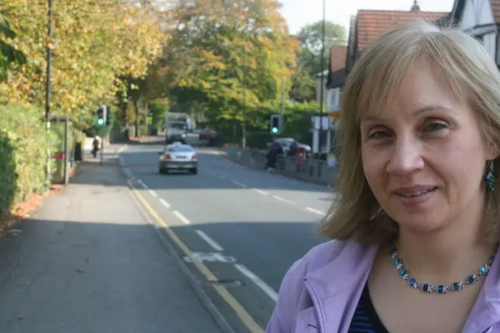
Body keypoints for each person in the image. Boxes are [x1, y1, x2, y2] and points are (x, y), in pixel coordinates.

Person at [266, 20, 500, 332]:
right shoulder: (308, 281)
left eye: (433, 126)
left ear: (492, 137)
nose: (403, 163)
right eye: (380, 133)